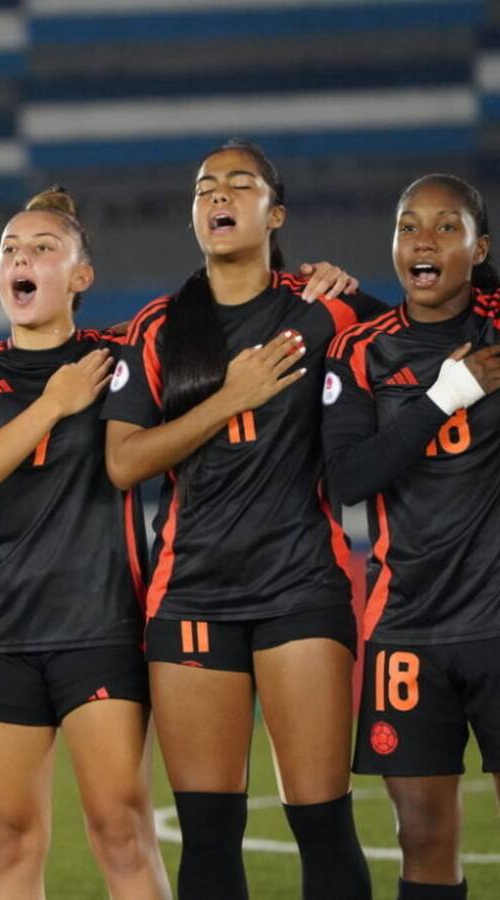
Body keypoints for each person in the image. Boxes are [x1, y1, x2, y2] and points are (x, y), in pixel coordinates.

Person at [102, 138, 384, 900]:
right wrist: (231, 395)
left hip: (302, 587)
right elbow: (125, 461)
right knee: (210, 838)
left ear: (275, 211)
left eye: (238, 183)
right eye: (204, 187)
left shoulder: (323, 309)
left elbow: (419, 346)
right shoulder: (160, 328)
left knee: (323, 826)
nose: (218, 196)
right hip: (192, 595)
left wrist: (349, 290)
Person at [0, 186, 169, 899]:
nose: (21, 260)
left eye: (42, 248)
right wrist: (54, 404)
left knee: (121, 831)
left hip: (103, 627)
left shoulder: (121, 359)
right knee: (10, 843)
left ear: (80, 276)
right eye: (9, 250)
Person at [324, 173, 500, 900]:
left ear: (478, 247)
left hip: (497, 622)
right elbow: (346, 479)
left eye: (446, 226)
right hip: (407, 628)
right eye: (407, 227)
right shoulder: (362, 352)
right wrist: (444, 398)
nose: (423, 239)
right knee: (423, 836)